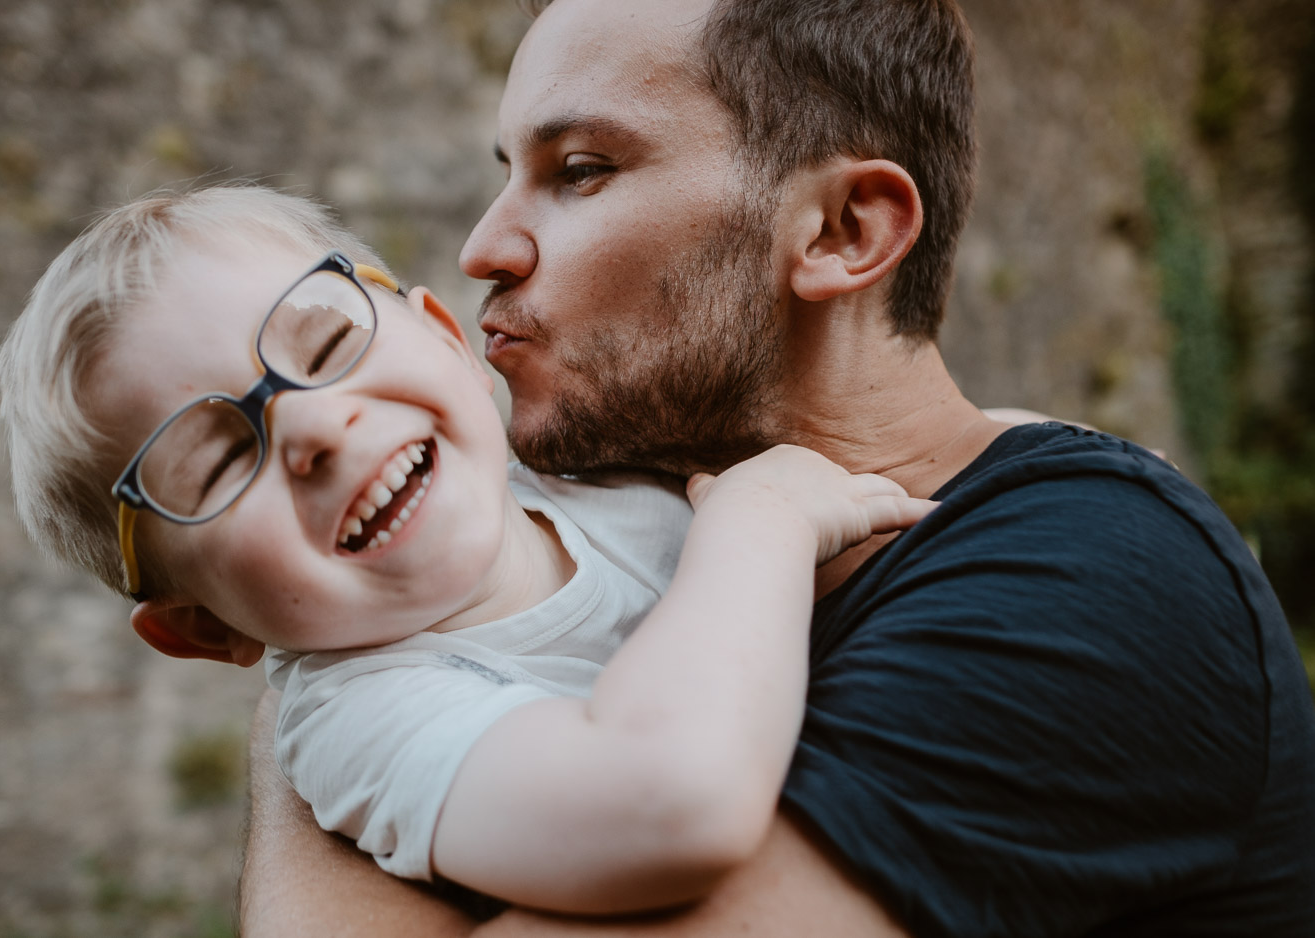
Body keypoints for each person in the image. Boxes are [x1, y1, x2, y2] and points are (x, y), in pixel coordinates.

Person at [239, 0, 1315, 935]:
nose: (484, 246)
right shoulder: (638, 557)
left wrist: (324, 664)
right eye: (506, 175)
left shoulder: (1086, 590)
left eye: (580, 171)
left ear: (845, 230)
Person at [0, 183, 938, 915]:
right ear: (202, 628)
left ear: (445, 338)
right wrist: (761, 523)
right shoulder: (364, 720)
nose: (316, 425)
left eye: (322, 347)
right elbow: (670, 801)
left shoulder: (593, 472)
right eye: (216, 461)